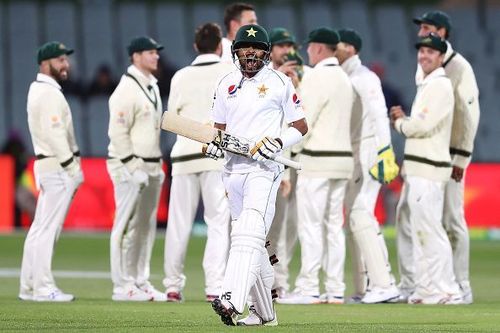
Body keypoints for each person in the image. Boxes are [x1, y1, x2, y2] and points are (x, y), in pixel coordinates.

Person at [205, 24, 307, 326]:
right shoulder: (225, 84)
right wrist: (213, 147)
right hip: (232, 170)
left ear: (267, 52)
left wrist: (277, 142)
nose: (250, 53)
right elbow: (218, 131)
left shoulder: (280, 82)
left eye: (257, 49)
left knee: (247, 231)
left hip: (265, 168)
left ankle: (232, 298)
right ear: (236, 52)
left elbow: (300, 126)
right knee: (254, 242)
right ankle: (265, 314)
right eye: (244, 49)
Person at [409, 10, 480, 304]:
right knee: (414, 220)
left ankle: (459, 285)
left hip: (446, 158)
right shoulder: (429, 62)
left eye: (426, 28)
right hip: (429, 156)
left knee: (450, 220)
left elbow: (469, 115)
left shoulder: (459, 67)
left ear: (442, 32)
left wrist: (461, 159)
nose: (420, 33)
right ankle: (419, 284)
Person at [279, 27, 353, 305]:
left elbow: (303, 124)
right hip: (342, 162)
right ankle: (335, 288)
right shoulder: (344, 78)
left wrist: (287, 150)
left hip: (318, 161)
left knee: (310, 226)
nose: (307, 51)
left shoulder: (317, 77)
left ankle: (308, 287)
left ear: (319, 48)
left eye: (310, 47)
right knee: (334, 227)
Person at [163, 23, 233, 303]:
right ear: (219, 46)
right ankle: (214, 286)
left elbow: (173, 117)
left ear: (195, 46)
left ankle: (172, 286)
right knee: (218, 222)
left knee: (178, 223)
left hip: (183, 156)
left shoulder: (180, 76)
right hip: (215, 157)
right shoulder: (228, 72)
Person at [390, 33, 462, 304]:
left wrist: (399, 124)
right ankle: (426, 288)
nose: (424, 56)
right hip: (420, 168)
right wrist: (405, 120)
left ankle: (447, 289)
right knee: (420, 229)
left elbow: (421, 127)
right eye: (421, 51)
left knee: (429, 229)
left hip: (429, 170)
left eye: (430, 52)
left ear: (441, 57)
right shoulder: (428, 84)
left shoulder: (440, 85)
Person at [336, 28, 400, 304]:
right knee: (355, 219)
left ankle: (384, 284)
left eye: (335, 46)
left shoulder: (365, 77)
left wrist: (385, 151)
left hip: (371, 152)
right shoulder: (343, 77)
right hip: (354, 156)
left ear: (350, 49)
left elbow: (378, 114)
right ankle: (365, 287)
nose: (331, 50)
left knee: (361, 214)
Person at [19, 41, 83, 302]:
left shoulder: (41, 90)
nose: (65, 64)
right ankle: (43, 288)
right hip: (57, 166)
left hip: (48, 164)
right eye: (60, 60)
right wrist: (71, 166)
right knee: (48, 229)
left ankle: (29, 285)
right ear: (45, 63)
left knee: (40, 228)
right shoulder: (47, 93)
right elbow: (56, 133)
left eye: (65, 60)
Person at [107, 36, 166, 302]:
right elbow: (117, 132)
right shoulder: (126, 89)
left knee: (146, 226)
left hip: (153, 164)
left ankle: (140, 279)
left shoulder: (151, 86)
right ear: (136, 56)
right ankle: (122, 284)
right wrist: (132, 165)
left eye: (156, 52)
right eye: (151, 52)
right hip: (131, 164)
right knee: (126, 224)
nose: (156, 56)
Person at [265, 27, 304, 299]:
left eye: (290, 46)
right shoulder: (266, 79)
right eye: (282, 46)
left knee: (291, 229)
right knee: (272, 227)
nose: (287, 51)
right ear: (271, 50)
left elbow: (303, 121)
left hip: (300, 161)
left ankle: (280, 282)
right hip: (276, 161)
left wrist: (299, 86)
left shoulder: (301, 77)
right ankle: (270, 283)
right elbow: (278, 125)